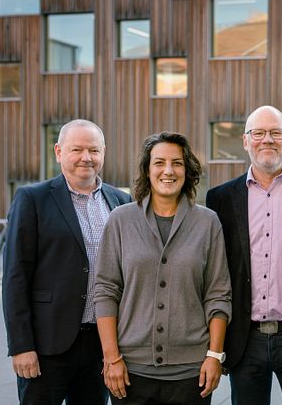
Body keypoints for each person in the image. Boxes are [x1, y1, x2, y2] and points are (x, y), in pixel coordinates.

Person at [94, 132, 232, 404]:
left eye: (177, 163)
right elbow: (106, 292)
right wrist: (112, 359)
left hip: (191, 374)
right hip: (130, 372)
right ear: (147, 170)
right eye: (159, 163)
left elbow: (218, 294)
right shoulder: (120, 221)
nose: (168, 171)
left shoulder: (208, 223)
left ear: (187, 170)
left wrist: (214, 356)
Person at [206, 106, 282, 405]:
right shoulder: (220, 198)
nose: (268, 140)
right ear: (245, 140)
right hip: (244, 339)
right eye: (259, 133)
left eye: (276, 133)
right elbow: (216, 272)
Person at [2, 119, 131, 404]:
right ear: (59, 152)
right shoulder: (32, 199)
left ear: (104, 153)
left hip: (102, 345)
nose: (86, 158)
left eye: (94, 151)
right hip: (48, 346)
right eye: (77, 150)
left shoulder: (121, 201)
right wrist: (21, 346)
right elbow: (15, 277)